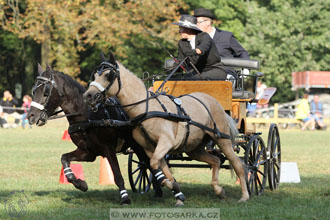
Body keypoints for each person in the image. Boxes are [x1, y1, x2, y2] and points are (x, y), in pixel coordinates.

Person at [193, 8, 250, 78]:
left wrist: (246, 69)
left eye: (197, 22)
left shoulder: (226, 36)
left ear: (208, 22)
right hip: (202, 74)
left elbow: (242, 52)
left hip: (225, 74)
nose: (195, 25)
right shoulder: (194, 38)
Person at [172, 14, 227, 80]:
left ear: (188, 29)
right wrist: (174, 69)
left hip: (214, 70)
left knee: (195, 79)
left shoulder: (204, 36)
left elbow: (203, 48)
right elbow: (181, 60)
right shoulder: (182, 43)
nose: (179, 31)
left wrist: (194, 51)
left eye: (181, 29)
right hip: (195, 72)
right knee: (180, 80)